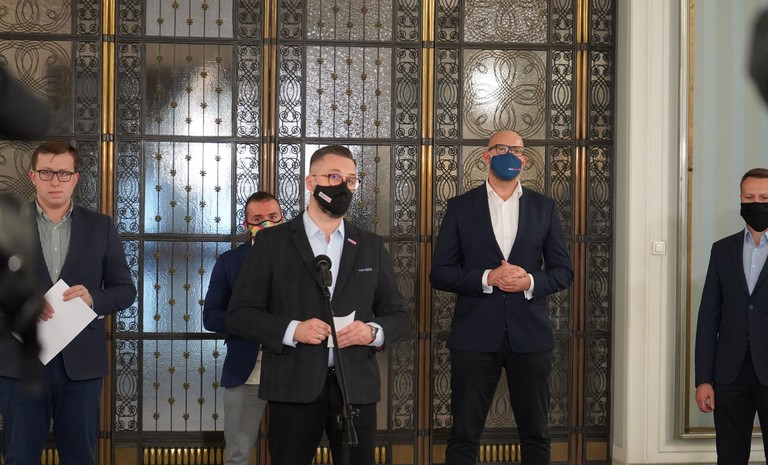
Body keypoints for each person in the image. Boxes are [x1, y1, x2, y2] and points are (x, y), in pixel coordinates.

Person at [226, 145, 410, 465]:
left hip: (355, 389)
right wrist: (293, 330)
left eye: (351, 180)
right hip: (292, 386)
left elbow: (399, 315)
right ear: (310, 182)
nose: (343, 187)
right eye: (334, 177)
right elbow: (240, 315)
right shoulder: (272, 242)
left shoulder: (370, 245)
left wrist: (372, 332)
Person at [430, 130, 573, 465]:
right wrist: (487, 278)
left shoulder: (544, 208)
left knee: (536, 434)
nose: (510, 155)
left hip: (531, 336)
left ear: (524, 160)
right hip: (474, 336)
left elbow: (563, 271)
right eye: (501, 149)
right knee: (463, 434)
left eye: (517, 151)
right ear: (486, 156)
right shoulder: (460, 207)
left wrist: (529, 281)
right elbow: (440, 273)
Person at [0, 141, 136, 465]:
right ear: (33, 176)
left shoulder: (101, 226)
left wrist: (93, 298)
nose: (55, 180)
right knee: (19, 457)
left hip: (81, 365)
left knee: (80, 458)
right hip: (20, 363)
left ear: (75, 178)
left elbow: (125, 290)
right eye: (47, 172)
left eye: (63, 173)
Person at [203, 191, 283, 465]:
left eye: (272, 217)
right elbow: (211, 317)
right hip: (244, 372)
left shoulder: (303, 258)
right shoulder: (229, 261)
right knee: (237, 456)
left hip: (293, 370)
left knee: (292, 454)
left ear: (283, 218)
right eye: (258, 219)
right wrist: (252, 322)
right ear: (246, 224)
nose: (266, 224)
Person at [695, 167, 768, 464]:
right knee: (730, 456)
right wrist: (703, 379)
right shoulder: (722, 250)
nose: (756, 203)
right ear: (740, 199)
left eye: (764, 198)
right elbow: (708, 317)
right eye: (750, 198)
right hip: (729, 375)